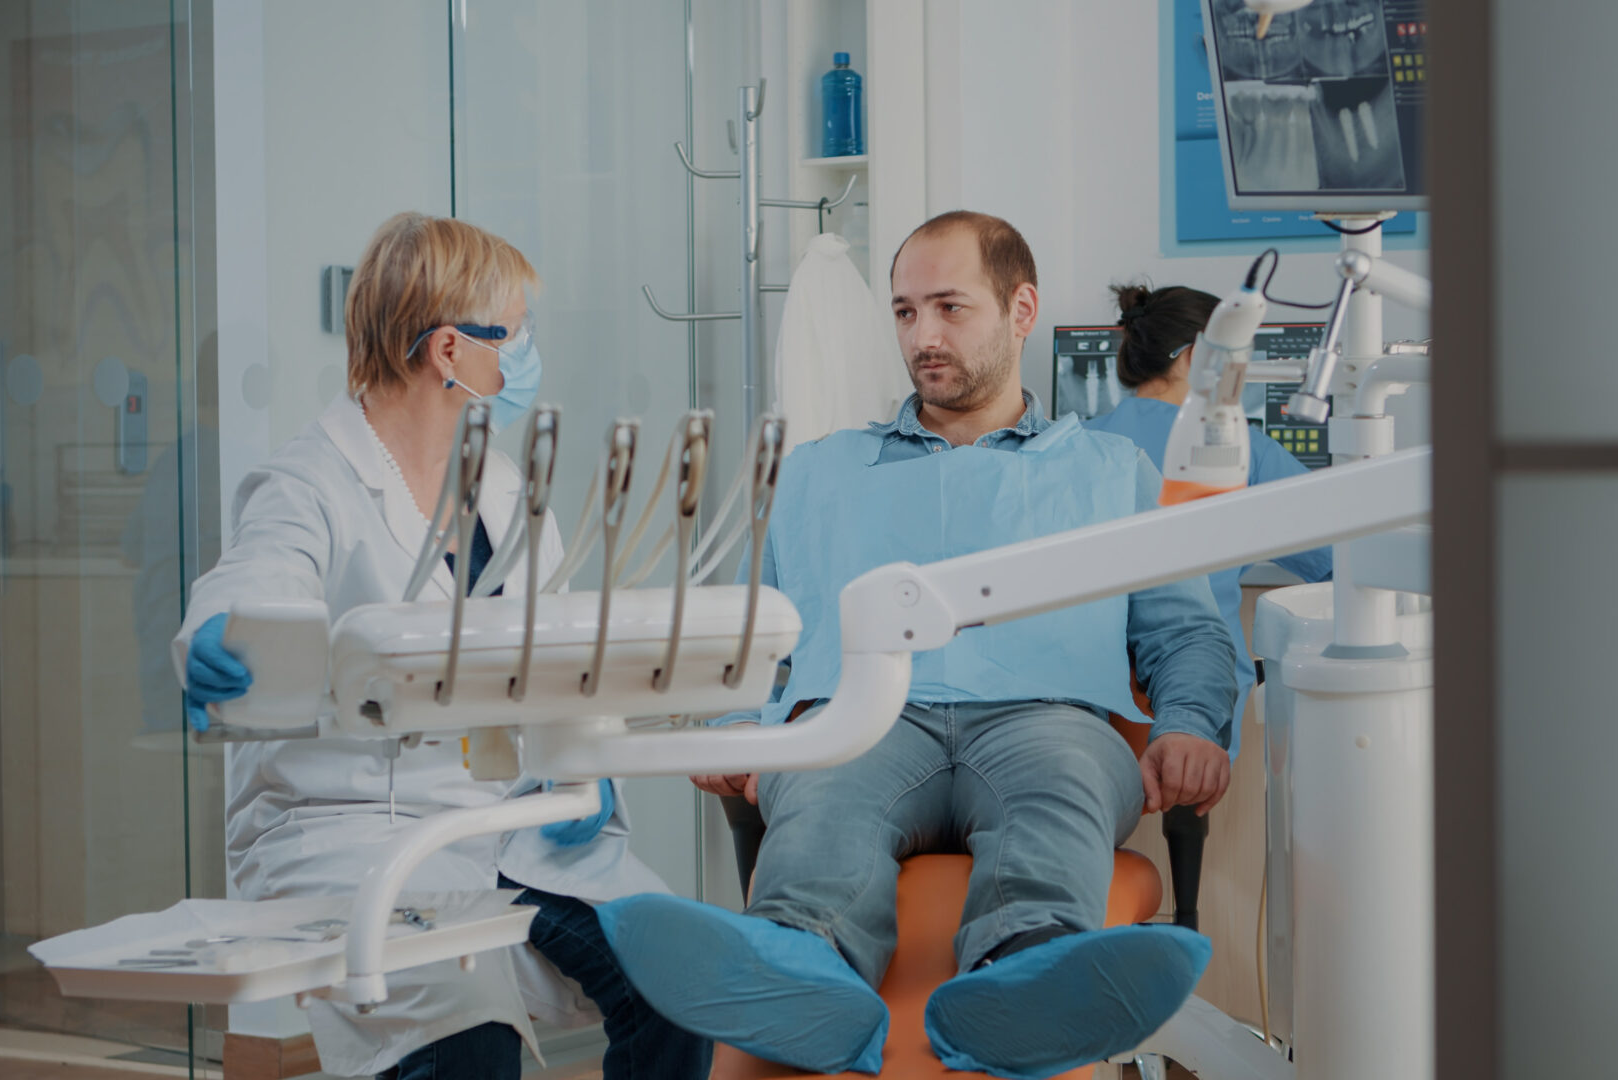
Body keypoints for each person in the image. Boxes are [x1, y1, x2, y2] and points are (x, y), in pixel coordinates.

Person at [597, 211, 1238, 1078]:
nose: (922, 337)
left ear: (1022, 309)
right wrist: (740, 722)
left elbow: (1185, 630)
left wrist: (1190, 724)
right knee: (821, 796)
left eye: (948, 308)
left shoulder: (1108, 472)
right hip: (862, 720)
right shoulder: (821, 472)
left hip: (1044, 721)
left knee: (1056, 791)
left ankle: (1024, 982)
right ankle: (803, 976)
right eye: (904, 313)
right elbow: (756, 636)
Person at [173, 212, 709, 1080]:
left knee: (679, 983)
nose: (527, 351)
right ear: (451, 351)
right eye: (516, 331)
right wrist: (219, 634)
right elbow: (256, 580)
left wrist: (587, 763)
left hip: (502, 823)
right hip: (353, 831)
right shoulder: (309, 484)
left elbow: (560, 652)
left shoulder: (501, 483)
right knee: (468, 1046)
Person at [1085, 283, 1335, 757]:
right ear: (1199, 355)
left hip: (1093, 718)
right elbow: (1338, 561)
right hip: (1200, 722)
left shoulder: (1077, 442)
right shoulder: (1240, 453)